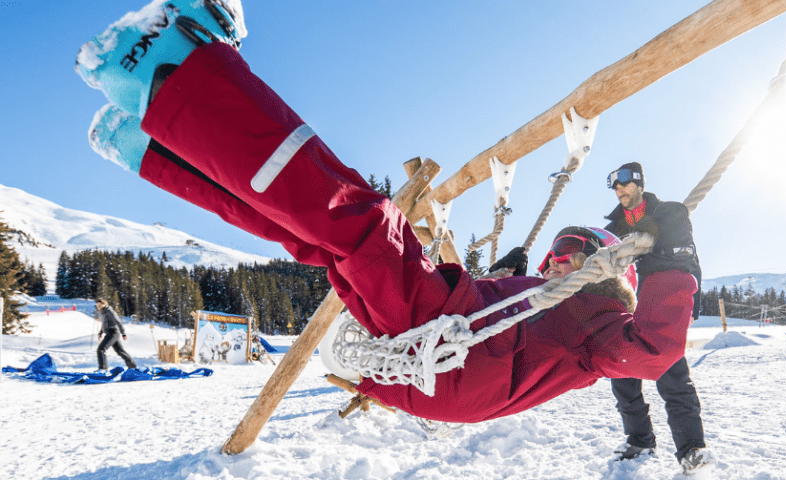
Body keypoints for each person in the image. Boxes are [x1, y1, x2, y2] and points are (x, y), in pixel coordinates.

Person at [76, 0, 698, 425]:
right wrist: (503, 285)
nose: (559, 261)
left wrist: (673, 258)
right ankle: (156, 148)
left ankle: (174, 71)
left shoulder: (604, 316)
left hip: (456, 362)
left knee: (364, 224)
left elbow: (652, 351)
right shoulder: (544, 296)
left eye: (573, 255)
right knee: (321, 243)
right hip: (442, 356)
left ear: (609, 270)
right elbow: (515, 316)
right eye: (555, 253)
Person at [601, 162, 712, 474]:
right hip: (624, 307)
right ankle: (640, 439)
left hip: (657, 305)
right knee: (622, 378)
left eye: (623, 181)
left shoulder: (670, 213)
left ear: (638, 182)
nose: (618, 188)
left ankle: (692, 448)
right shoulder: (613, 229)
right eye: (613, 183)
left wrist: (648, 251)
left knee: (673, 376)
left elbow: (685, 257)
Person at [94, 298, 138, 371]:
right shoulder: (103, 312)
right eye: (97, 306)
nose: (98, 307)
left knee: (101, 349)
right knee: (120, 351)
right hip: (109, 332)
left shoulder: (110, 311)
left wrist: (123, 333)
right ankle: (133, 367)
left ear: (104, 304)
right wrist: (101, 332)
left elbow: (118, 321)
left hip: (113, 332)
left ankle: (103, 369)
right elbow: (104, 323)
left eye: (99, 305)